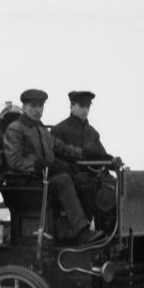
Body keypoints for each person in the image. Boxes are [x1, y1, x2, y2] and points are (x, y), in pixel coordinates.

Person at [3, 89, 105, 245]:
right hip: (25, 184)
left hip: (41, 181)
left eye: (40, 106)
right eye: (33, 106)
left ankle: (73, 234)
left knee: (84, 182)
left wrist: (90, 155)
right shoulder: (15, 129)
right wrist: (42, 166)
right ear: (23, 107)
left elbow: (63, 149)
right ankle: (82, 232)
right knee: (63, 180)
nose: (38, 110)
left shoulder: (42, 130)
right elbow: (15, 162)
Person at [52, 91, 121, 219]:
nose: (85, 110)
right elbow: (56, 159)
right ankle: (90, 227)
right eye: (81, 106)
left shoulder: (93, 133)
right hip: (73, 178)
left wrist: (112, 161)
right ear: (72, 106)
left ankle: (113, 226)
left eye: (88, 106)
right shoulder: (59, 130)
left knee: (117, 186)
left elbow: (101, 154)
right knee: (90, 188)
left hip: (94, 177)